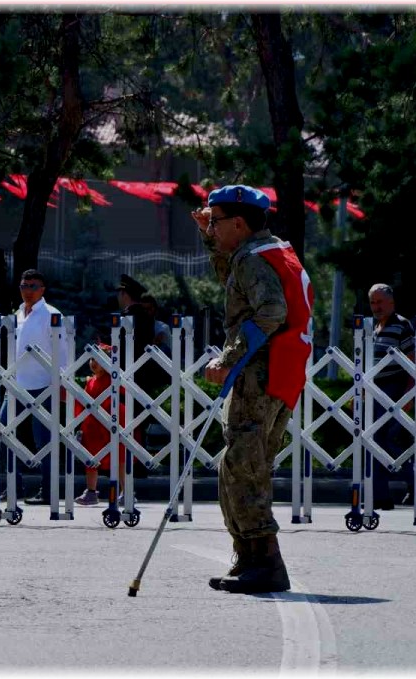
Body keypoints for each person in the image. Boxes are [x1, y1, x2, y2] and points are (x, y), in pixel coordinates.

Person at [193, 184, 313, 595]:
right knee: (242, 463)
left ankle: (263, 562)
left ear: (239, 224)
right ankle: (249, 558)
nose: (212, 227)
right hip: (278, 373)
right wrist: (211, 238)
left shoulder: (253, 259)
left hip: (260, 375)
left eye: (217, 221)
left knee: (243, 465)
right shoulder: (268, 252)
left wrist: (228, 357)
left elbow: (271, 310)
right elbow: (233, 279)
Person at [5, 270, 71, 505]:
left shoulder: (52, 315)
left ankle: (48, 490)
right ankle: (14, 484)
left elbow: (62, 353)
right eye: (24, 286)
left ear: (42, 290)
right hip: (17, 384)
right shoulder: (18, 314)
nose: (27, 291)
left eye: (32, 286)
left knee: (45, 440)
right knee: (4, 431)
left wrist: (61, 382)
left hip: (44, 385)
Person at [367, 283, 416, 509]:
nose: (376, 306)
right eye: (373, 302)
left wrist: (409, 394)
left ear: (391, 302)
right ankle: (384, 494)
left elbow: (413, 361)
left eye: (380, 301)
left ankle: (407, 488)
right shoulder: (375, 327)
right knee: (379, 440)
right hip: (376, 388)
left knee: (382, 439)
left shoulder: (401, 325)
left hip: (395, 386)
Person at [73, 344, 130, 506]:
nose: (93, 363)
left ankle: (126, 491)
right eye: (91, 359)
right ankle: (91, 491)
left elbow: (126, 391)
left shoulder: (113, 378)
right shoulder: (90, 381)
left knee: (119, 458)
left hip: (111, 421)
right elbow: (83, 402)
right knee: (90, 459)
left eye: (98, 359)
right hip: (93, 425)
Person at [141, 293, 172, 358]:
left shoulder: (163, 327)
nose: (146, 312)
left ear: (154, 309)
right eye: (143, 309)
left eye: (149, 309)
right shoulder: (135, 327)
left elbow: (156, 344)